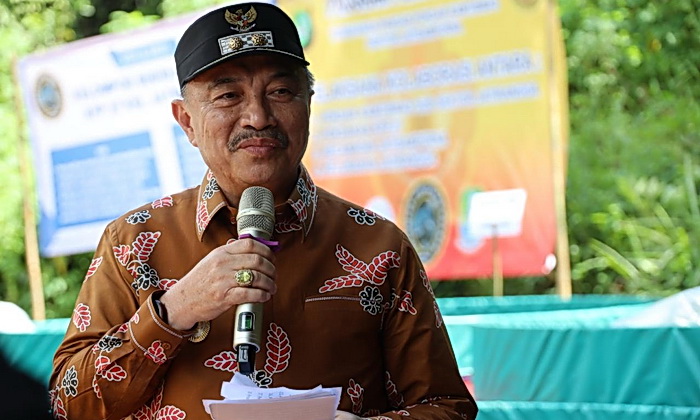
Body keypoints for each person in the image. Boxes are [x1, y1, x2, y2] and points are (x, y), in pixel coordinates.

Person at [49, 3, 477, 419]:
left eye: (280, 92)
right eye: (228, 96)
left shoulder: (378, 247)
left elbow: (448, 406)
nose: (257, 117)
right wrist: (174, 309)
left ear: (308, 104)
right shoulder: (134, 242)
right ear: (187, 121)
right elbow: (68, 405)